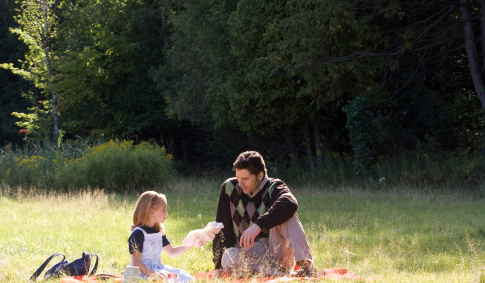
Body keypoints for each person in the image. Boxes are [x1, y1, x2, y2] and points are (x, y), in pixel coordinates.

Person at [212, 151, 317, 278]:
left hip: (276, 251)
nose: (240, 183)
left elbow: (290, 203)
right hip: (246, 257)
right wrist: (218, 267)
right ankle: (284, 275)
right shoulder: (229, 187)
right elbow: (222, 226)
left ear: (260, 175)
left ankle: (306, 267)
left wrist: (259, 224)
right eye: (238, 178)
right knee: (227, 256)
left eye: (245, 179)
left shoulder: (274, 186)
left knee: (288, 216)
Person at [128, 191, 195, 282]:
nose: (166, 213)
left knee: (185, 278)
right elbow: (137, 263)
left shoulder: (158, 231)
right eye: (164, 209)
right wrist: (154, 274)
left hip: (158, 270)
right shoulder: (138, 233)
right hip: (143, 272)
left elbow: (172, 252)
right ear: (151, 211)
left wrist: (192, 244)